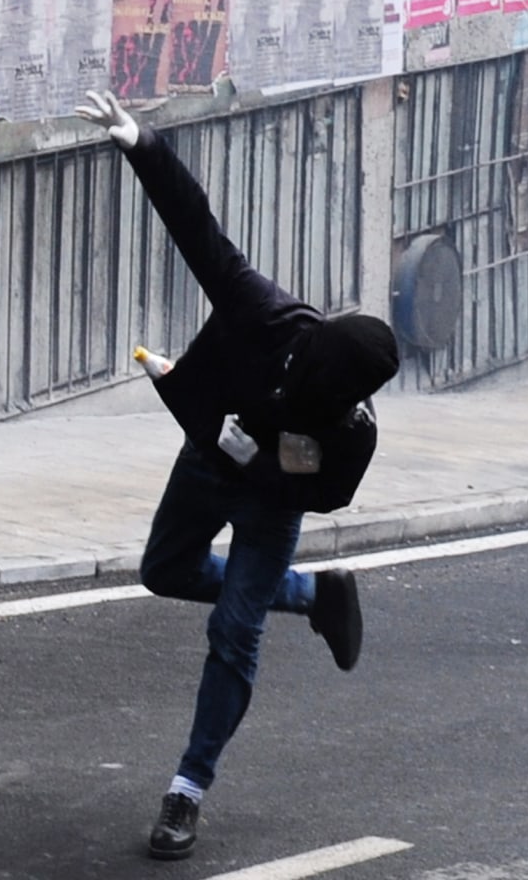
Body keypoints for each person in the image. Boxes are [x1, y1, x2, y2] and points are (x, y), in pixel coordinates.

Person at [75, 91, 400, 861]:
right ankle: (315, 594)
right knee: (164, 571)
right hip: (206, 464)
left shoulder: (351, 432)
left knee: (234, 631)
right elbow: (200, 232)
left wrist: (274, 462)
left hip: (268, 506)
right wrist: (141, 144)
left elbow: (325, 492)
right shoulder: (265, 314)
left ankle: (186, 792)